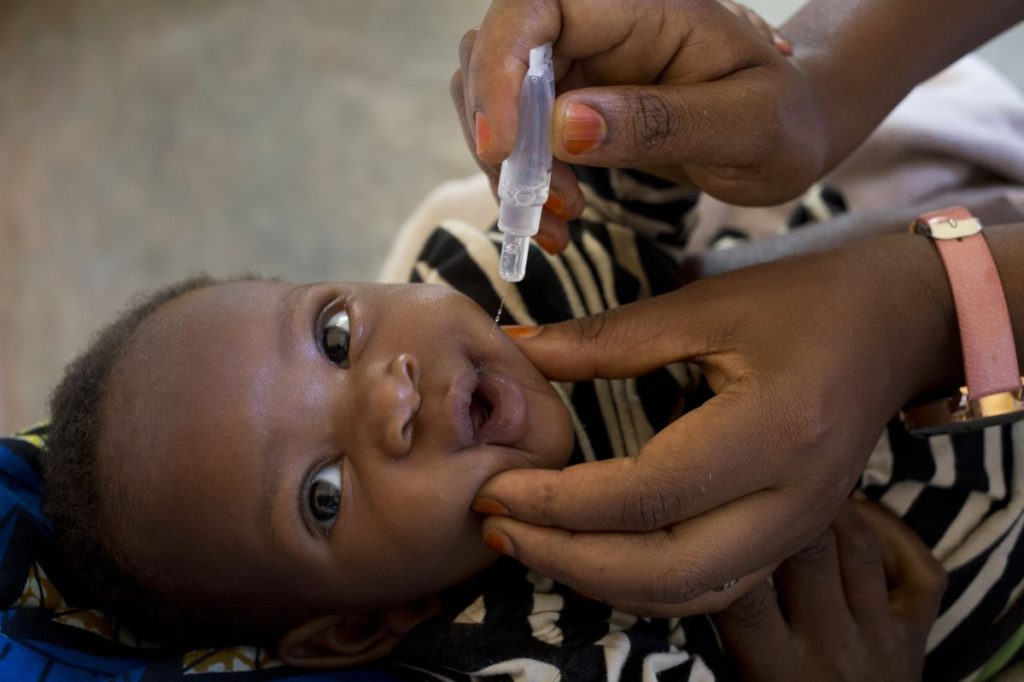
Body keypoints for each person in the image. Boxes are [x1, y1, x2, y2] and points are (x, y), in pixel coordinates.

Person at [450, 0, 1024, 678]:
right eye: (325, 495)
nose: (387, 385)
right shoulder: (521, 652)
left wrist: (930, 307)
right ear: (350, 629)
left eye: (333, 333)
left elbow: (621, 215)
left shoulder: (476, 282)